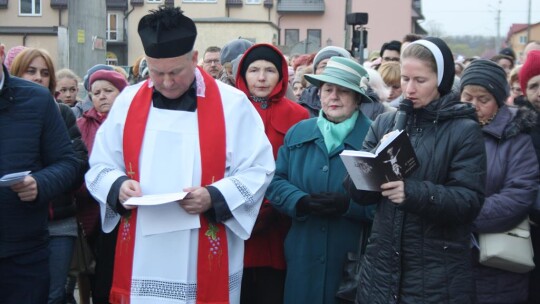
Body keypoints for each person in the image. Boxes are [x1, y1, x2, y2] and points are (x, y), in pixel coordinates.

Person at [84, 7, 275, 304]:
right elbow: (100, 165)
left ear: (194, 59)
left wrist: (214, 196)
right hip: (142, 251)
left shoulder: (232, 105)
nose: (167, 82)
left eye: (175, 71)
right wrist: (118, 185)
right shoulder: (128, 102)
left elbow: (259, 169)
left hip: (202, 238)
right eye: (157, 72)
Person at [347, 37, 487, 303]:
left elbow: (469, 201)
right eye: (404, 78)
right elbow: (359, 195)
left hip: (437, 274)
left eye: (420, 80)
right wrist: (361, 175)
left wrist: (412, 192)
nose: (409, 89)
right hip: (382, 268)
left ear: (442, 81)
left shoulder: (464, 130)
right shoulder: (385, 122)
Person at [266, 56, 375, 304]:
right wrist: (300, 201)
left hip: (351, 261)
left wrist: (349, 205)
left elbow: (387, 204)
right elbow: (275, 182)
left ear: (358, 97)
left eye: (343, 91)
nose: (333, 97)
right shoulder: (299, 132)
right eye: (328, 89)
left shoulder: (373, 138)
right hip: (303, 256)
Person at [0, 43, 82, 304]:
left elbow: (69, 163)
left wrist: (39, 183)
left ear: (1, 53)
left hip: (22, 253)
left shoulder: (37, 99)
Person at [459, 59, 539, 303]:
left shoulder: (516, 137)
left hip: (497, 264)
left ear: (500, 100)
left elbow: (519, 195)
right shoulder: (446, 129)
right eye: (467, 98)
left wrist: (458, 213)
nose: (474, 106)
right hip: (448, 260)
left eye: (483, 99)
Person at [234, 43, 309, 304]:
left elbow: (299, 168)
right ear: (243, 75)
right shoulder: (229, 110)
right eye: (254, 70)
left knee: (273, 290)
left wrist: (273, 205)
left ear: (282, 75)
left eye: (270, 70)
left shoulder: (298, 115)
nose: (262, 77)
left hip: (279, 220)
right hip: (235, 216)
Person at [76, 69, 129, 304]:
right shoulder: (81, 124)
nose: (102, 97)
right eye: (96, 92)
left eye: (109, 91)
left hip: (121, 207)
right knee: (91, 268)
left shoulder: (130, 121)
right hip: (89, 207)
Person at [298, 46, 352, 117]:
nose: (329, 70)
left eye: (334, 66)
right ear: (315, 71)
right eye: (323, 66)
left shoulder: (360, 100)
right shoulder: (304, 101)